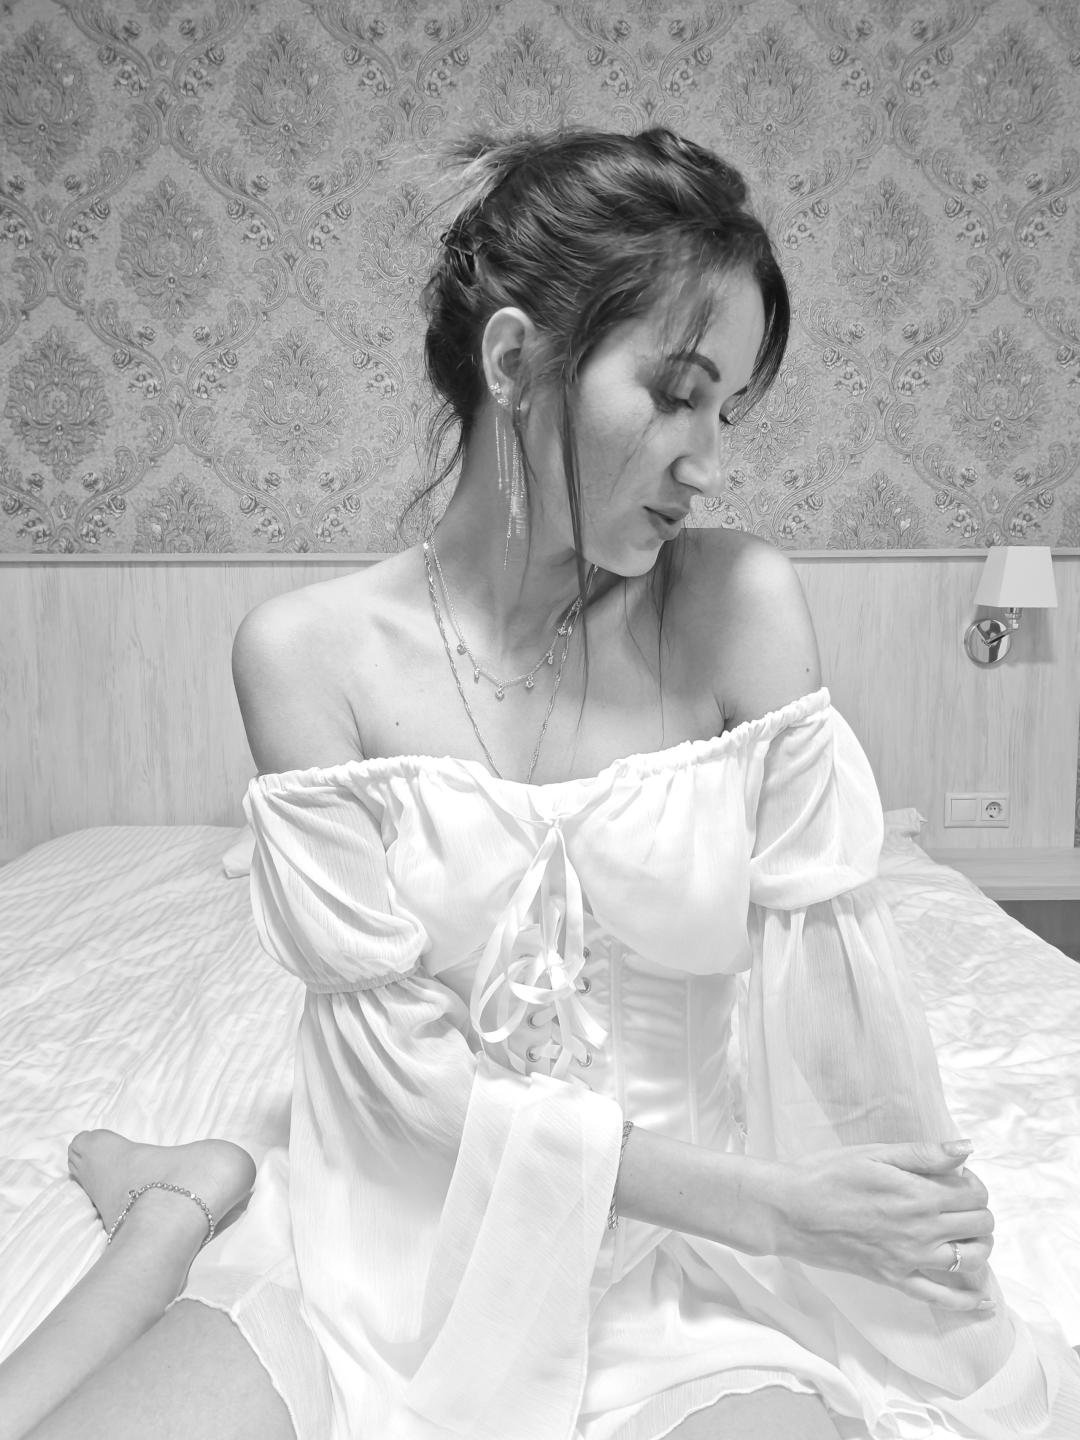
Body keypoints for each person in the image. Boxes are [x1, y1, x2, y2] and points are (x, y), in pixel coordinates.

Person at [3, 126, 1079, 1440]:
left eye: (729, 410)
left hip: (677, 1266)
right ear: (515, 363)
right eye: (676, 393)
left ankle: (183, 1198)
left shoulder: (735, 604)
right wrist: (778, 1208)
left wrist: (893, 1234)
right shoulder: (308, 656)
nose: (709, 461)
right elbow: (405, 1090)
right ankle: (183, 1205)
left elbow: (834, 1000)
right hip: (395, 1246)